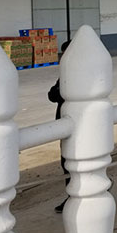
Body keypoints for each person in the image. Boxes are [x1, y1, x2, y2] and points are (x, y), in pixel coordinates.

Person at [47, 40, 71, 213]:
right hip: (65, 126)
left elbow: (56, 93)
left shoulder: (77, 74)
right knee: (67, 163)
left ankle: (74, 197)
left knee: (72, 162)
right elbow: (52, 95)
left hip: (77, 127)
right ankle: (72, 196)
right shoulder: (65, 75)